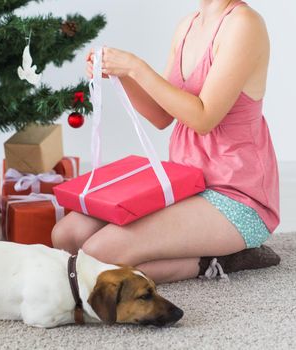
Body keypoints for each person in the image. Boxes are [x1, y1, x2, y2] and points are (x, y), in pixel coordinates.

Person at [52, 0, 281, 283]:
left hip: (236, 197)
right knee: (66, 235)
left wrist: (135, 67)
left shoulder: (244, 24)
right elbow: (162, 116)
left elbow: (203, 118)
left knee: (98, 254)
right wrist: (121, 74)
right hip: (185, 183)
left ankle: (218, 260)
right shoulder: (188, 26)